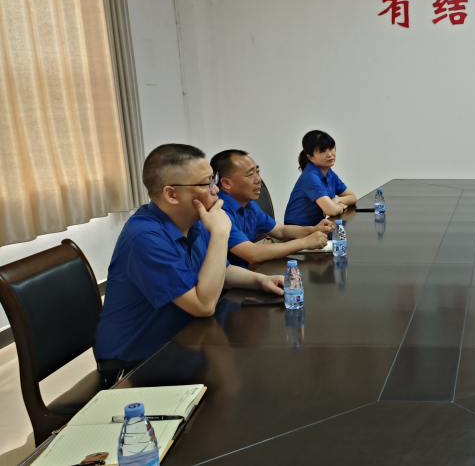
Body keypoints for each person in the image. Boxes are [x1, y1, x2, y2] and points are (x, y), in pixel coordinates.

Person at [95, 144, 285, 387]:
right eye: (207, 183)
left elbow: (222, 270)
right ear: (172, 195)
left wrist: (261, 280)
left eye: (214, 180)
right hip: (136, 362)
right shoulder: (145, 237)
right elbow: (203, 305)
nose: (216, 190)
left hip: (183, 338)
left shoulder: (193, 220)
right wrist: (220, 234)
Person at [210, 149, 334, 269]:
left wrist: (313, 229)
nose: (258, 179)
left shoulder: (248, 204)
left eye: (257, 172)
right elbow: (252, 253)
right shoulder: (219, 210)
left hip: (248, 271)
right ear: (226, 183)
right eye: (250, 174)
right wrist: (305, 242)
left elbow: (281, 231)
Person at [284, 130, 357, 226]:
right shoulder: (310, 177)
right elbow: (331, 211)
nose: (330, 154)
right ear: (311, 157)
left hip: (316, 227)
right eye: (323, 151)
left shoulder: (329, 172)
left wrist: (337, 200)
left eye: (331, 148)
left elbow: (353, 197)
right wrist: (342, 206)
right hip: (297, 229)